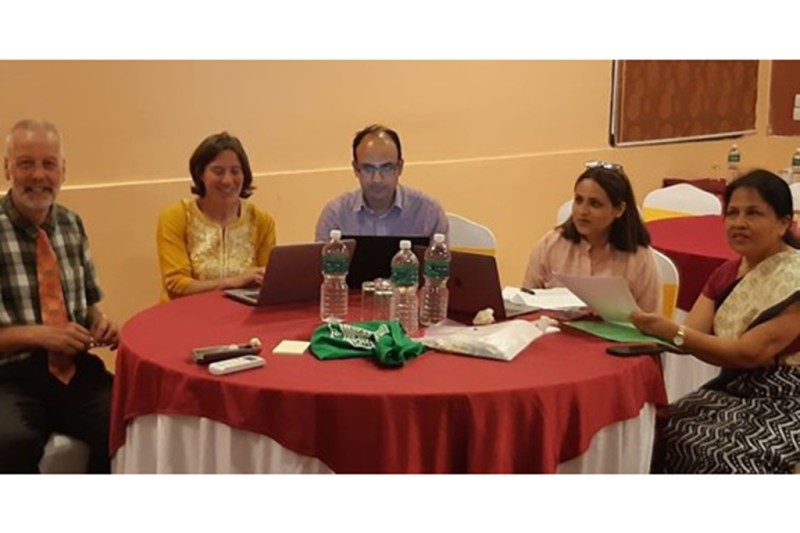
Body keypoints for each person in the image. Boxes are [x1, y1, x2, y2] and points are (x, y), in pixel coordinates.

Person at [631, 169, 800, 473]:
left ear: (783, 223)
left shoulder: (795, 277)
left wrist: (671, 331)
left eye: (754, 213)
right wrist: (636, 329)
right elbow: (689, 337)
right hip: (734, 387)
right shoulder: (725, 273)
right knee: (660, 430)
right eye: (732, 213)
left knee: (725, 455)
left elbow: (749, 353)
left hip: (788, 396)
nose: (739, 223)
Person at [0, 119, 118, 473]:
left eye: (49, 164)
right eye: (26, 163)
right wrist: (41, 335)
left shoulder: (72, 224)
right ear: (7, 168)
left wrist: (101, 324)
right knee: (11, 443)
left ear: (63, 172)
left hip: (75, 370)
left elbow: (89, 307)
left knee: (126, 420)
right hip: (10, 378)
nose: (39, 175)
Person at [522, 161, 661, 312]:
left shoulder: (638, 258)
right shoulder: (550, 245)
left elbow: (650, 322)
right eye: (579, 200)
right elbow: (526, 304)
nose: (582, 211)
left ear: (619, 210)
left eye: (595, 204)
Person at [157, 132, 277, 301]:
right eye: (218, 171)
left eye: (235, 171)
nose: (227, 180)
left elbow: (268, 280)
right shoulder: (176, 217)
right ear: (200, 174)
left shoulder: (261, 220)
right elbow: (177, 284)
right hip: (185, 315)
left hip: (242, 317)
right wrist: (233, 282)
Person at [314, 124, 448, 241]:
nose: (377, 179)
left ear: (400, 167)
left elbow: (442, 267)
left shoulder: (428, 213)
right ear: (356, 168)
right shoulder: (336, 215)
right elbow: (319, 267)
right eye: (368, 168)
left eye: (387, 168)